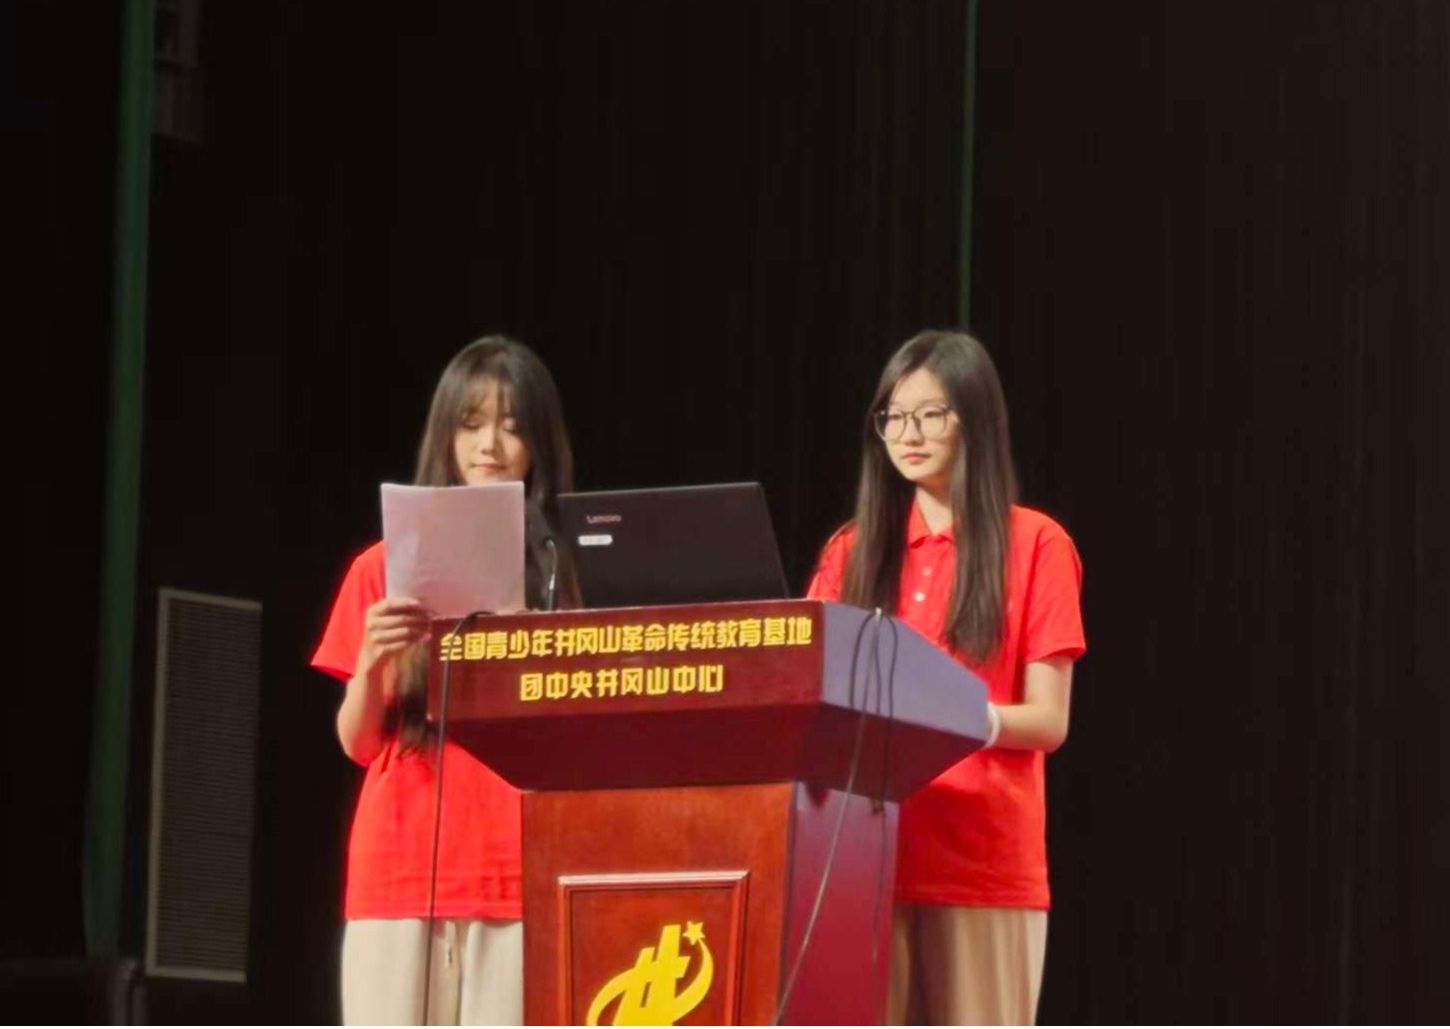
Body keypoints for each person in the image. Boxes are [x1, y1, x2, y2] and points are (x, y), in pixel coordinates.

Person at [806, 330, 1086, 1026]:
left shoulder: (1036, 543)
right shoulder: (851, 551)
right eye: (894, 417)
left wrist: (966, 717)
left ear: (974, 420)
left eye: (931, 414)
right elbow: (807, 686)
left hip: (981, 865)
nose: (909, 434)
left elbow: (1048, 719)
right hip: (863, 860)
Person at [311, 335, 579, 1025]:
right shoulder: (381, 567)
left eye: (512, 426)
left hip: (518, 873)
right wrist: (374, 660)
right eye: (471, 424)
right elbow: (357, 743)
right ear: (446, 436)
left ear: (539, 444)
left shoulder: (564, 576)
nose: (490, 445)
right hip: (400, 869)